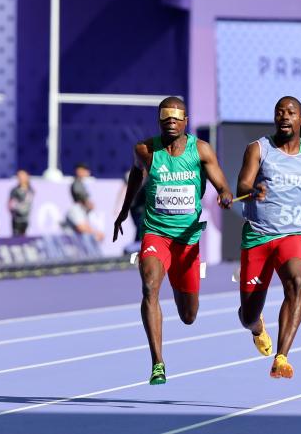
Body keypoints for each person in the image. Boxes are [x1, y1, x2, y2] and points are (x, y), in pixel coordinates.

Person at [113, 97, 233, 385]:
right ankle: (157, 362)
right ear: (159, 119)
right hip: (156, 233)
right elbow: (135, 176)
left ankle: (184, 296)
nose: (171, 121)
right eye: (166, 116)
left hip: (187, 238)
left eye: (177, 117)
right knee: (149, 286)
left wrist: (225, 194)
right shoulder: (145, 149)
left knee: (189, 315)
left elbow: (222, 185)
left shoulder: (200, 150)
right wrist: (124, 210)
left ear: (186, 121)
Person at [236, 96, 301, 379]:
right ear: (275, 117)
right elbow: (242, 183)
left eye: (291, 112)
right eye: (280, 112)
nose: (285, 116)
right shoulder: (258, 149)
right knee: (248, 315)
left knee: (297, 282)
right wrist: (251, 190)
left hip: (294, 234)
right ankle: (257, 327)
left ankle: (281, 357)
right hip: (258, 236)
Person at [8, 169, 34, 236]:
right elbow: (10, 204)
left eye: (22, 176)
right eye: (18, 176)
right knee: (16, 237)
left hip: (26, 219)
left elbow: (28, 203)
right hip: (16, 219)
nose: (20, 178)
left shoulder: (30, 190)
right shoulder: (14, 190)